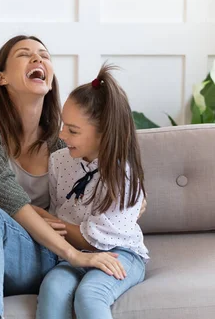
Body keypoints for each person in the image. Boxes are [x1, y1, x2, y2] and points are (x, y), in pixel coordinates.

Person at [0, 36, 127, 319]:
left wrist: (136, 199)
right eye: (25, 54)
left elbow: (104, 177)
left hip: (37, 255)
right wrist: (71, 252)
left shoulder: (62, 145)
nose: (38, 59)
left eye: (44, 55)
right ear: (1, 78)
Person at [35, 64, 148, 319]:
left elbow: (92, 239)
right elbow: (58, 213)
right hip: (72, 256)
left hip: (120, 253)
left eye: (73, 130)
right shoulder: (59, 161)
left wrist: (35, 215)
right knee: (52, 288)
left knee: (90, 294)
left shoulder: (123, 175)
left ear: (104, 133)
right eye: (64, 125)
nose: (62, 135)